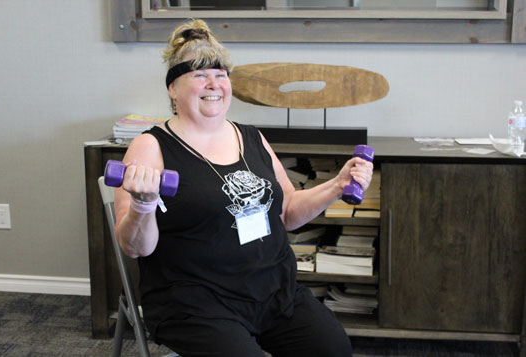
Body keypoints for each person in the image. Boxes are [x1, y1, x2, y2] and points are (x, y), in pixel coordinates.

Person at [114, 19, 373, 357]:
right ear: (173, 89)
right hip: (196, 302)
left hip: (273, 292)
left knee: (333, 349)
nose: (214, 83)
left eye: (221, 75)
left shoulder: (251, 137)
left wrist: (337, 185)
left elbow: (288, 212)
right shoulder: (150, 148)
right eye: (199, 75)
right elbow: (135, 247)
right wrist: (144, 205)